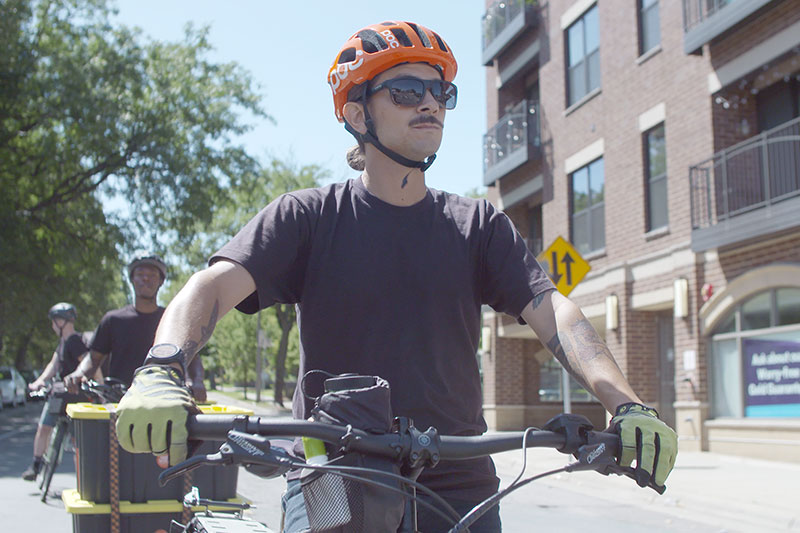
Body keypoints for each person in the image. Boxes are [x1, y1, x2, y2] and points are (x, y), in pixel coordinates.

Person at [114, 21, 678, 532]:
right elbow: (209, 287)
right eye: (407, 91)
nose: (430, 103)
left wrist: (625, 404)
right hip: (335, 471)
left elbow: (554, 311)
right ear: (358, 114)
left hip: (459, 483)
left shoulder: (477, 225)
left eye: (441, 93)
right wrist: (162, 369)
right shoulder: (307, 217)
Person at [65, 255, 207, 401]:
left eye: (152, 275)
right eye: (140, 274)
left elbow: (193, 356)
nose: (146, 279)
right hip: (120, 402)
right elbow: (94, 358)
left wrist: (197, 380)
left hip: (165, 401)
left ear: (161, 281)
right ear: (132, 279)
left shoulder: (172, 319)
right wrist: (78, 373)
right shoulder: (113, 320)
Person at [22, 303, 91, 481]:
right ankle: (37, 465)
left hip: (74, 396)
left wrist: (95, 382)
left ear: (62, 322)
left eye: (54, 322)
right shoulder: (63, 342)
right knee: (45, 428)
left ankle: (38, 465)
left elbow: (87, 364)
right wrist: (39, 381)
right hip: (61, 395)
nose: (53, 326)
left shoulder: (75, 341)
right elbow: (53, 365)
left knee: (65, 435)